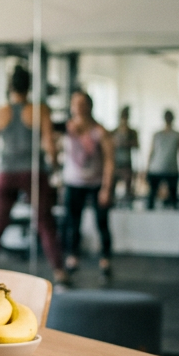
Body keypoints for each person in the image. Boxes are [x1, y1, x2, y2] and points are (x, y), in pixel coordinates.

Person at [0, 66, 65, 282]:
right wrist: (55, 171)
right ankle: (59, 271)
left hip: (6, 173)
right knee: (45, 222)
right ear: (29, 86)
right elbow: (50, 146)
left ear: (10, 86)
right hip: (33, 172)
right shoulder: (40, 110)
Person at [60, 91, 115, 277]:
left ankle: (105, 258)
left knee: (102, 222)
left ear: (89, 106)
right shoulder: (66, 129)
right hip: (73, 182)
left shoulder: (99, 131)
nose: (78, 107)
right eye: (75, 103)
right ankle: (72, 257)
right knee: (72, 223)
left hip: (96, 183)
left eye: (82, 103)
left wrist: (107, 188)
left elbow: (109, 161)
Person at [146, 110, 179, 210]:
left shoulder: (178, 135)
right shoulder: (157, 135)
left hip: (171, 169)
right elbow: (151, 152)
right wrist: (147, 168)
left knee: (173, 197)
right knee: (152, 196)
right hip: (156, 169)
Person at [110, 106, 139, 207]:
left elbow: (136, 145)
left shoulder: (131, 132)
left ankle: (128, 205)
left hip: (126, 162)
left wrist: (126, 143)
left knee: (128, 187)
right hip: (116, 162)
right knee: (112, 186)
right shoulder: (114, 132)